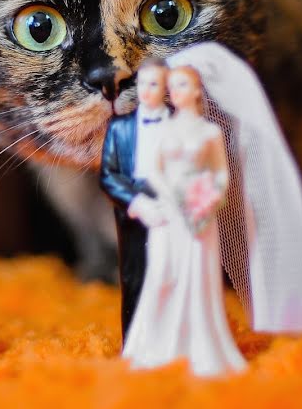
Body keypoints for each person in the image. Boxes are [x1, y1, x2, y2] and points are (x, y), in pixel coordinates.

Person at [121, 65, 247, 376]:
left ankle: (198, 342)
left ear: (196, 91)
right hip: (169, 209)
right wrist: (172, 196)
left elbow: (220, 172)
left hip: (201, 211)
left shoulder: (210, 132)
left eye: (181, 85)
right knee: (163, 271)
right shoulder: (165, 128)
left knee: (198, 275)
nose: (174, 91)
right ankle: (155, 341)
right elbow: (155, 171)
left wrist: (209, 197)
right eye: (172, 85)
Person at [99, 58, 171, 343]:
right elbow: (109, 176)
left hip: (176, 208)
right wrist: (135, 202)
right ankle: (137, 340)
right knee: (136, 277)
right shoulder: (119, 129)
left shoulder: (178, 123)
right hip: (134, 211)